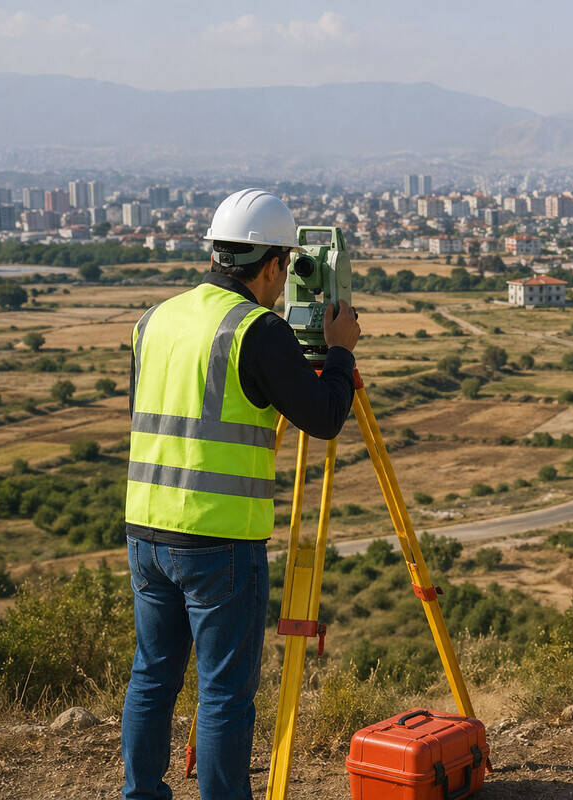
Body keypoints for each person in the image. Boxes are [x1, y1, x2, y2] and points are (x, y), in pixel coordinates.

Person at [121, 188, 362, 800]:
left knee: (152, 677)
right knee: (224, 692)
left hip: (147, 531)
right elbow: (326, 417)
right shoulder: (257, 330)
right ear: (275, 265)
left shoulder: (155, 319)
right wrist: (338, 352)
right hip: (219, 539)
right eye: (285, 270)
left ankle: (141, 793)